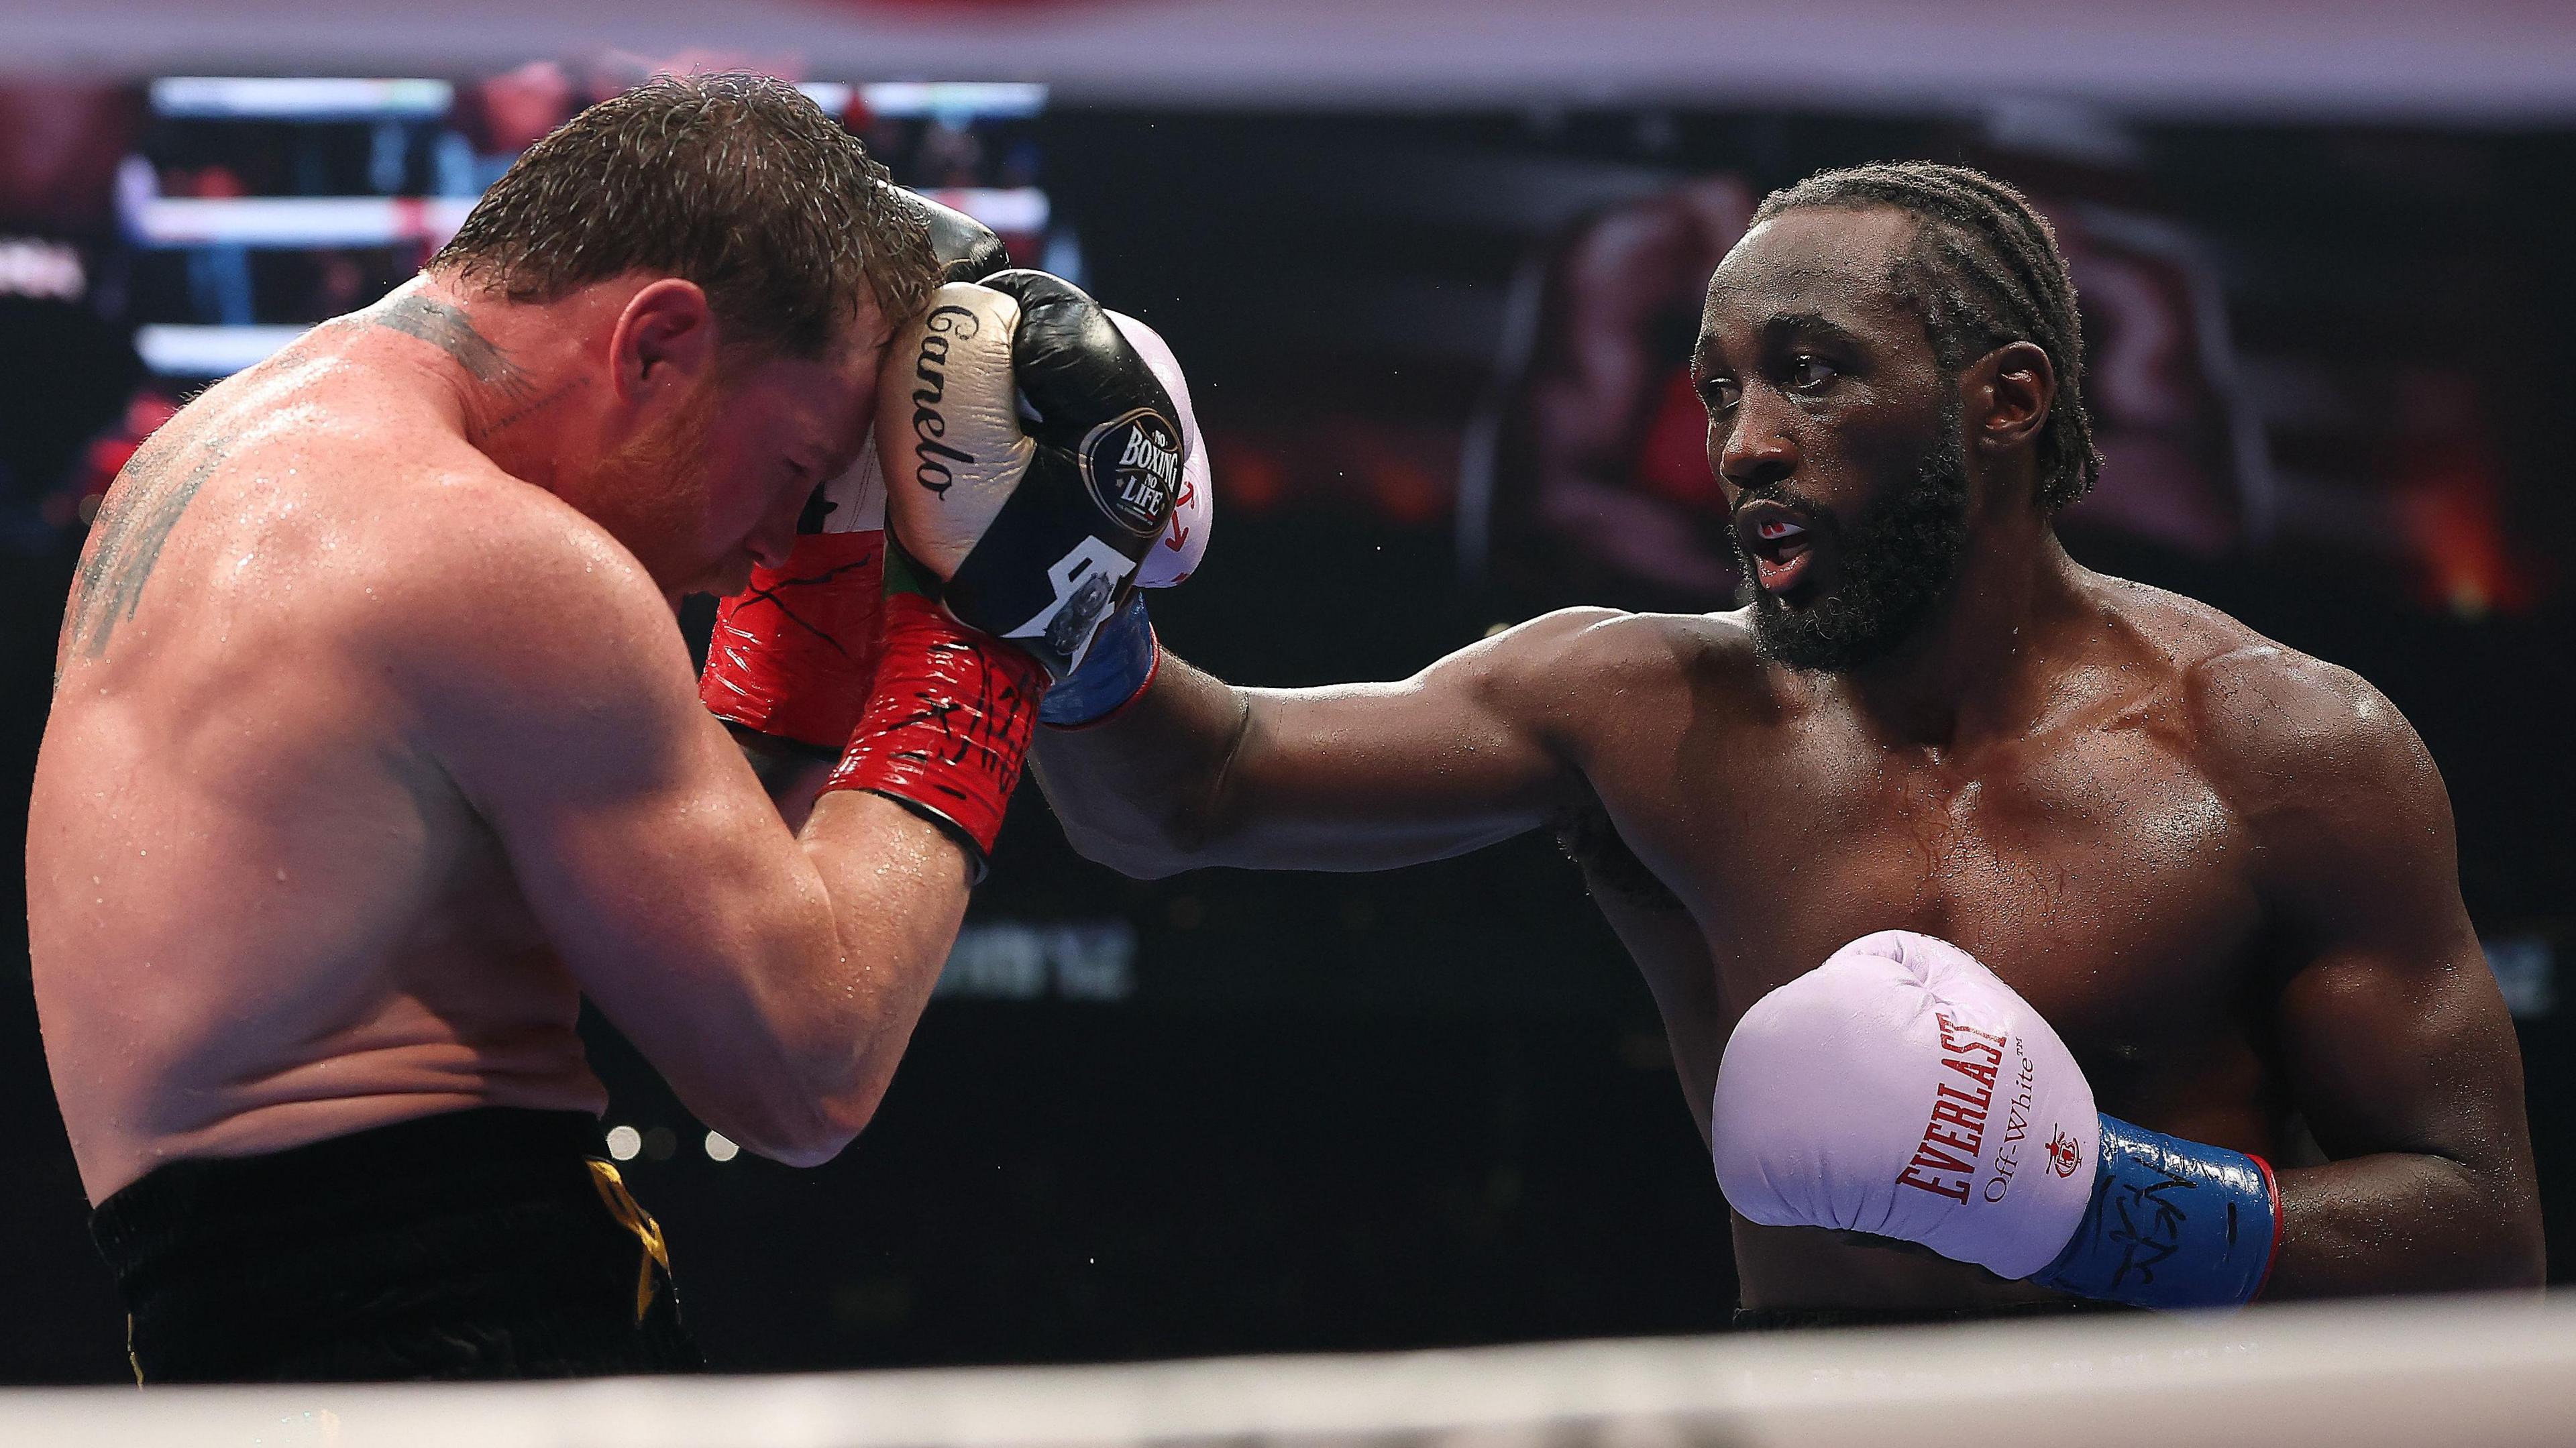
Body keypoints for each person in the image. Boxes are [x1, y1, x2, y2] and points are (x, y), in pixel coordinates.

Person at [1026, 161, 2544, 1324]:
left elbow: (2483, 1234)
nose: (1744, 441)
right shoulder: (1638, 705)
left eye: (1810, 372)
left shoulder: (2284, 749)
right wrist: (1059, 596)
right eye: (1718, 388)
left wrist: (2099, 1207)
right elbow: (1187, 792)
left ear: (2003, 400)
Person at [25, 72, 1183, 1381]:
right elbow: (805, 1064)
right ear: (656, 344)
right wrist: (993, 637)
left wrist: (802, 615)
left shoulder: (224, 457)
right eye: (802, 471)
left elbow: (683, 900)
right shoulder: (487, 555)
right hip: (464, 1346)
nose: (771, 536)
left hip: (245, 1348)